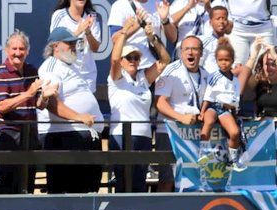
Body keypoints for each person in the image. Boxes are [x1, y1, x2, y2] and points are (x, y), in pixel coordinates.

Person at [36, 26, 104, 194]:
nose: (74, 46)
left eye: (75, 43)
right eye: (69, 43)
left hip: (83, 135)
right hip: (66, 136)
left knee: (89, 192)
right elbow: (52, 103)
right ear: (55, 46)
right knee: (66, 193)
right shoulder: (51, 66)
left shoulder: (71, 67)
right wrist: (78, 116)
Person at [107, 15, 169, 193]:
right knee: (123, 183)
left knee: (139, 184)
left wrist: (153, 39)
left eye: (136, 57)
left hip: (144, 136)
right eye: (129, 57)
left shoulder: (143, 77)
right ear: (123, 61)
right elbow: (113, 61)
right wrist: (125, 32)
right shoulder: (117, 78)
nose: (133, 60)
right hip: (122, 135)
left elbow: (164, 61)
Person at [0, 31, 41, 195]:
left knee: (28, 184)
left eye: (22, 49)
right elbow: (1, 107)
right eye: (14, 48)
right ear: (6, 50)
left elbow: (39, 104)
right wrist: (27, 94)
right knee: (9, 186)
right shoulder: (0, 72)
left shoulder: (32, 70)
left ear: (28, 51)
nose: (18, 53)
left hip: (29, 134)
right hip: (7, 135)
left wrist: (46, 96)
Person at [155, 34, 207, 192]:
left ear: (201, 53)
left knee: (194, 179)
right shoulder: (171, 71)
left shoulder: (206, 74)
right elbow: (160, 102)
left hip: (194, 134)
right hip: (170, 132)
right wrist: (181, 118)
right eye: (186, 49)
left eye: (195, 49)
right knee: (168, 179)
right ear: (180, 52)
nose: (190, 53)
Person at [107, 0, 178, 70]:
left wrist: (165, 20)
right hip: (130, 67)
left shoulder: (158, 4)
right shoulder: (119, 6)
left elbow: (173, 37)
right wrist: (136, 26)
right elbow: (115, 39)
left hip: (155, 67)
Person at [199, 38, 249, 169]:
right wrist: (203, 111)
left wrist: (231, 107)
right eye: (220, 60)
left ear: (232, 60)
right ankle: (203, 152)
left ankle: (232, 160)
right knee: (208, 122)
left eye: (226, 60)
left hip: (225, 110)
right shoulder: (214, 76)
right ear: (216, 61)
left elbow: (235, 101)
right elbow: (208, 96)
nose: (223, 63)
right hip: (213, 106)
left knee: (235, 132)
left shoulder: (236, 81)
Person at [49, 0, 101, 92]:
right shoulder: (60, 15)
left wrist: (88, 32)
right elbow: (55, 45)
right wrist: (78, 31)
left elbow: (95, 48)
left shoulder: (92, 16)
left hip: (87, 76)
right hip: (66, 74)